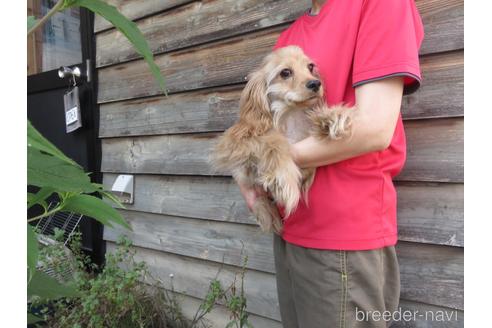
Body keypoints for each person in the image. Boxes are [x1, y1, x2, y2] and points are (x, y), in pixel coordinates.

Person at [236, 0, 424, 327]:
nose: (307, 77)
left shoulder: (380, 4)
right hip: (289, 226)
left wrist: (271, 159)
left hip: (342, 238)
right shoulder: (289, 37)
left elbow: (374, 128)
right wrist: (246, 169)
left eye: (311, 69)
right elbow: (263, 123)